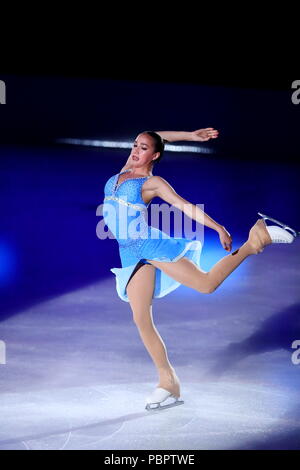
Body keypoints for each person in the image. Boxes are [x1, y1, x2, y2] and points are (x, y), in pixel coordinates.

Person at [102, 128, 296, 411]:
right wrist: (191, 136)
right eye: (135, 145)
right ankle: (168, 383)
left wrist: (217, 227)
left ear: (154, 155)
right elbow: (158, 136)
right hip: (129, 253)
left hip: (149, 245)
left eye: (143, 148)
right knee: (141, 318)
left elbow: (184, 206)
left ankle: (256, 242)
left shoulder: (152, 182)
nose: (135, 150)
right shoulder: (124, 171)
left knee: (206, 285)